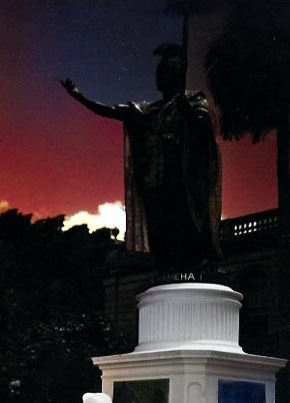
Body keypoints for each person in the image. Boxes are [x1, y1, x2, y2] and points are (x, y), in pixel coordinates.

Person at [60, 43, 222, 274]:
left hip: (182, 179)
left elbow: (204, 128)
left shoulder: (192, 100)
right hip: (155, 181)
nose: (158, 78)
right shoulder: (146, 111)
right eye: (157, 73)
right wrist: (79, 97)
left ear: (175, 76)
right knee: (160, 228)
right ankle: (167, 269)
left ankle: (194, 266)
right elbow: (112, 111)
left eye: (163, 72)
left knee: (186, 225)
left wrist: (190, 113)